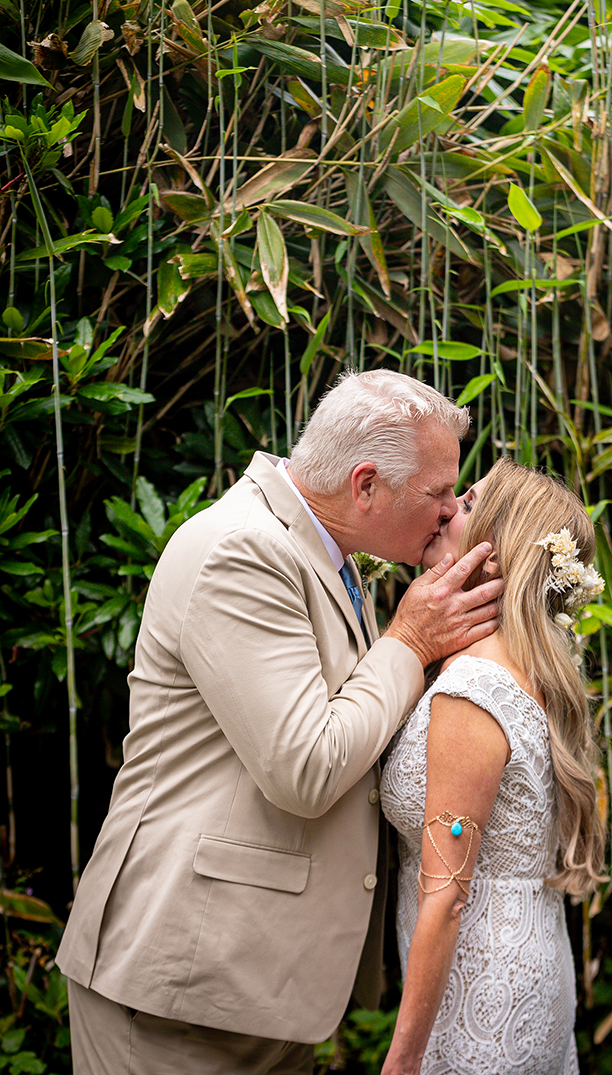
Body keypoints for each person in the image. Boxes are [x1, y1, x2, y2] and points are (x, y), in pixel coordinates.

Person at [56, 369, 504, 1075]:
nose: (449, 511)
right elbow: (307, 767)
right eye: (438, 493)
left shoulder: (330, 554)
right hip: (182, 990)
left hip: (259, 983)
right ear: (366, 486)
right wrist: (411, 641)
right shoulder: (241, 550)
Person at [380, 457, 607, 1075]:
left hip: (481, 988)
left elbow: (446, 898)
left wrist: (402, 1060)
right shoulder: (528, 672)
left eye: (470, 503)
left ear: (500, 556)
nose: (448, 508)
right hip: (530, 960)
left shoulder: (474, 688)